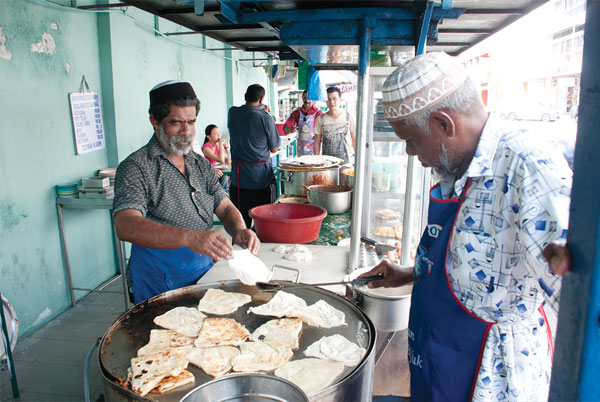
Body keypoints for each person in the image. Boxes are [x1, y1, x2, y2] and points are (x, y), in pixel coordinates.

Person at [358, 53, 572, 401]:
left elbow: (579, 295)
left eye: (411, 139)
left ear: (445, 123)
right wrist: (413, 273)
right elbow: (479, 264)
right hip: (438, 354)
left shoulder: (527, 166)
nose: (410, 152)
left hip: (488, 372)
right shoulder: (457, 165)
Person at [113, 80, 260, 304]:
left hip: (204, 271)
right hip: (159, 279)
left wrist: (239, 229)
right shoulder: (137, 167)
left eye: (191, 122)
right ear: (155, 120)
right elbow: (125, 225)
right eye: (176, 123)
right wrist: (190, 237)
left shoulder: (200, 165)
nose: (186, 131)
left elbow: (225, 207)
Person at [227, 84, 280, 228]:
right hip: (260, 181)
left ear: (246, 96)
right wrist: (265, 112)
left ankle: (240, 249)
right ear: (261, 99)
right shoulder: (265, 118)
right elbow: (274, 148)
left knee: (240, 225)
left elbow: (247, 113)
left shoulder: (232, 113)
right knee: (263, 224)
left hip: (238, 181)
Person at [313, 86, 356, 163]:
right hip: (326, 164)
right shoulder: (320, 119)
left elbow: (354, 139)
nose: (331, 102)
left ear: (340, 99)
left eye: (334, 98)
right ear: (325, 101)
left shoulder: (348, 117)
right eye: (328, 99)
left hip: (346, 163)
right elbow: (317, 141)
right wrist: (316, 161)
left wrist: (358, 159)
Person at [283, 90, 324, 156]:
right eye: (304, 98)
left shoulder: (319, 113)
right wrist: (290, 129)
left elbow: (324, 131)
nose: (306, 100)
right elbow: (285, 129)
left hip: (314, 151)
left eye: (309, 98)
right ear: (302, 98)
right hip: (301, 151)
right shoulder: (296, 113)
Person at [201, 124, 230, 190]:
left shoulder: (216, 147)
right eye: (216, 134)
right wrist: (220, 144)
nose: (219, 135)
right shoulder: (206, 148)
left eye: (219, 133)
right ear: (208, 137)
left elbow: (226, 159)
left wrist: (225, 147)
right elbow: (221, 160)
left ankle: (224, 194)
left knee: (225, 176)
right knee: (224, 177)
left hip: (215, 171)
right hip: (207, 173)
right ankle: (223, 195)